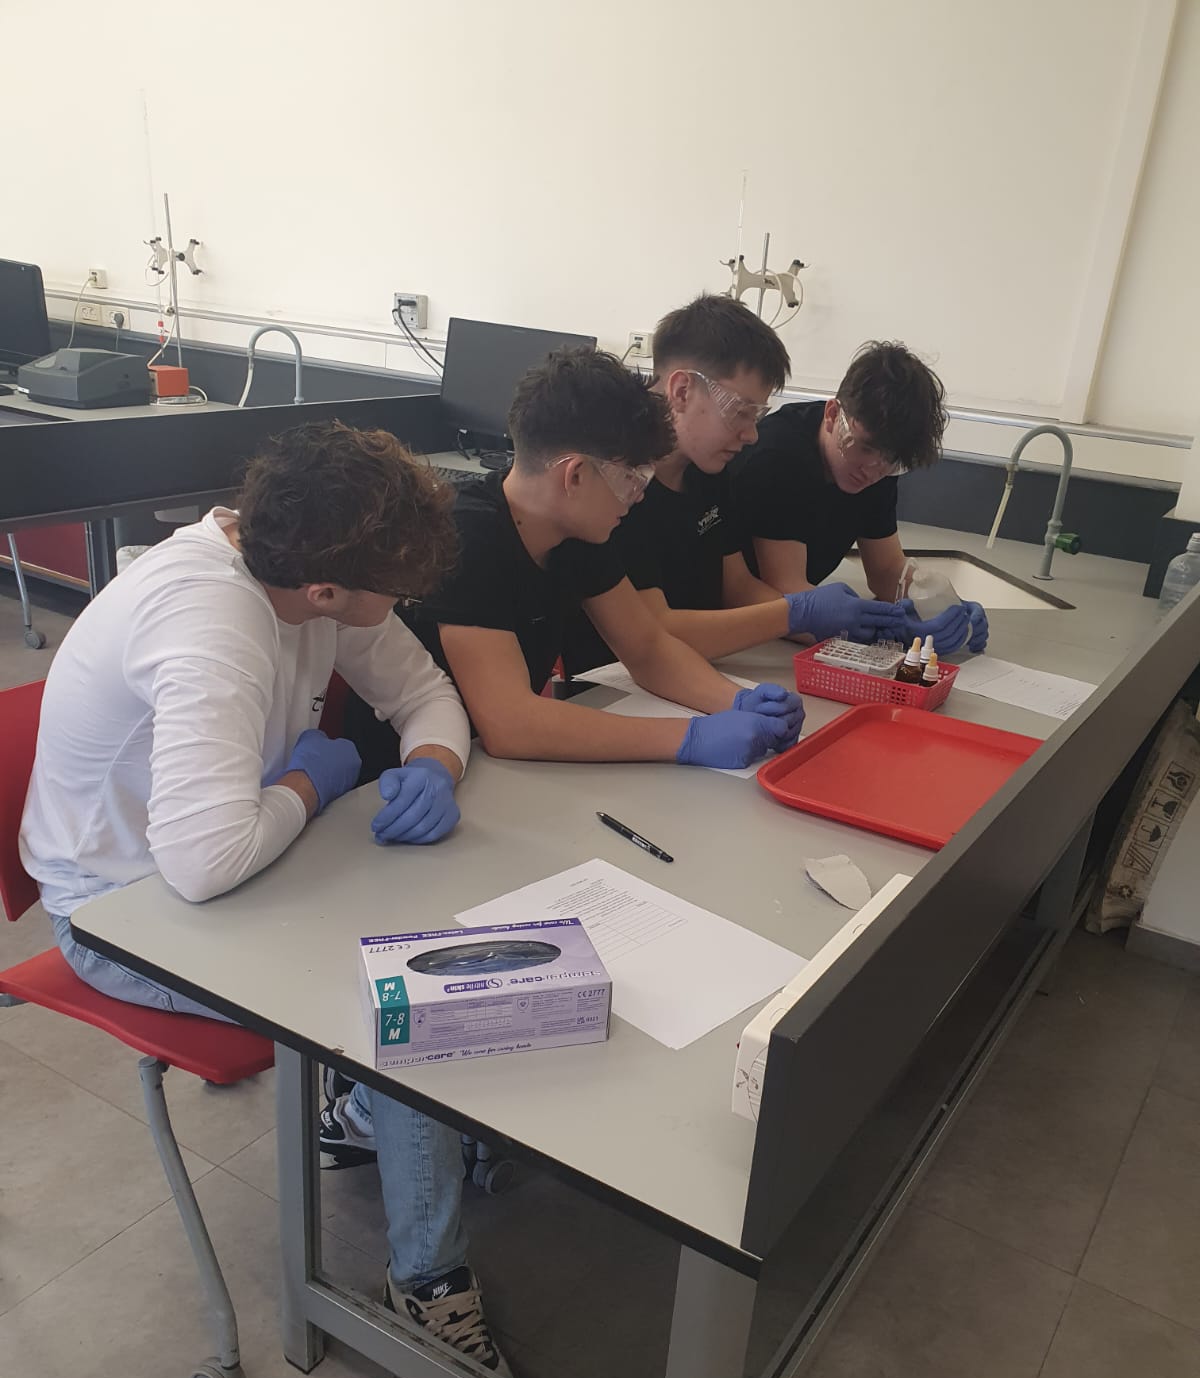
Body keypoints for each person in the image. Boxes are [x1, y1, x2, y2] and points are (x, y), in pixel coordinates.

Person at [18, 421, 512, 1378]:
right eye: (391, 590)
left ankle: (366, 1115)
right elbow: (202, 865)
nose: (397, 605)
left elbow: (425, 693)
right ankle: (426, 1283)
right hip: (120, 912)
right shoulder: (213, 624)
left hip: (226, 861)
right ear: (326, 588)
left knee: (446, 924)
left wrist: (434, 764)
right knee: (392, 1006)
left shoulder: (308, 564)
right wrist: (311, 780)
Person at [327, 349, 805, 1174]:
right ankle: (363, 1107)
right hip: (401, 798)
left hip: (494, 783)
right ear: (576, 473)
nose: (642, 495)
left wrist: (735, 705)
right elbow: (510, 721)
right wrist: (689, 741)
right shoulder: (472, 533)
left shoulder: (579, 530)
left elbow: (646, 648)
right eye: (632, 480)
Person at [576, 296, 906, 668]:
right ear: (682, 391)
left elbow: (737, 586)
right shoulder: (615, 481)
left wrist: (856, 632)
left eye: (757, 415)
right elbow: (656, 632)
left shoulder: (707, 470)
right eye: (741, 411)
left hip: (696, 666)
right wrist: (795, 614)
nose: (752, 435)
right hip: (613, 683)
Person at [727, 339, 989, 658]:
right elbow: (787, 590)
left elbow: (886, 570)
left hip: (781, 624)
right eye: (864, 448)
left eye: (890, 461)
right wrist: (883, 633)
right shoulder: (778, 457)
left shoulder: (879, 465)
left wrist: (942, 606)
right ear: (832, 415)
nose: (871, 471)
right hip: (740, 624)